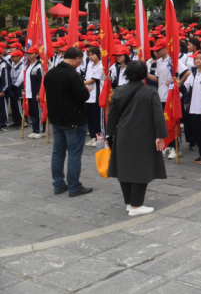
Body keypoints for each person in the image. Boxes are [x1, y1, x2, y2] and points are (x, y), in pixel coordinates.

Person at [105, 60, 168, 216]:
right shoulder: (150, 91)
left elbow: (111, 116)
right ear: (144, 74)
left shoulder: (118, 91)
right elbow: (158, 115)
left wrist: (109, 134)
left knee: (124, 168)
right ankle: (136, 205)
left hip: (123, 134)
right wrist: (160, 135)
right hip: (144, 135)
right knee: (141, 168)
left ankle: (129, 202)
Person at [43, 47, 92, 197]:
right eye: (81, 60)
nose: (80, 63)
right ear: (77, 58)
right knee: (74, 154)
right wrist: (87, 89)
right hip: (73, 120)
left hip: (56, 119)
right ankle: (74, 186)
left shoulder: (50, 73)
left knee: (57, 153)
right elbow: (82, 96)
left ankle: (58, 184)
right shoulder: (72, 74)